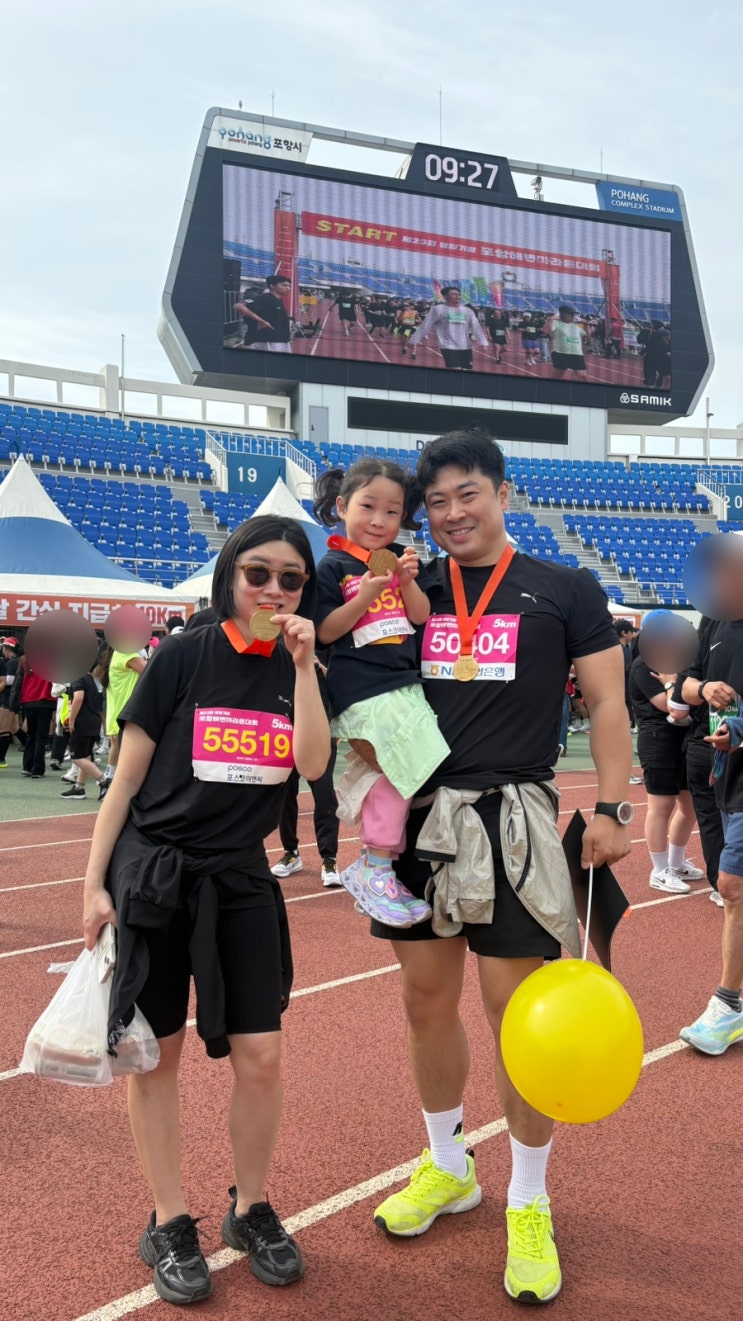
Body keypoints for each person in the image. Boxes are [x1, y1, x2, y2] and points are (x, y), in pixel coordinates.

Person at [370, 429, 633, 1305]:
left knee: (519, 1016)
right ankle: (448, 1165)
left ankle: (527, 1197)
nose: (452, 513)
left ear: (503, 493)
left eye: (467, 494)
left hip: (512, 819)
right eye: (436, 501)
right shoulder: (406, 589)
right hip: (416, 817)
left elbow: (607, 703)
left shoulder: (563, 588)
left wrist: (611, 806)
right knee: (424, 999)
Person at [81, 515, 330, 1306]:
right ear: (229, 577)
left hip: (240, 880)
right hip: (155, 875)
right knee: (156, 1056)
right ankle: (168, 1219)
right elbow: (124, 781)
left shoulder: (298, 668)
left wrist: (306, 667)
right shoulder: (183, 656)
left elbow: (313, 763)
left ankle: (249, 1208)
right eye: (258, 573)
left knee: (261, 1055)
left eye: (290, 579)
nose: (272, 590)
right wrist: (92, 885)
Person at [314, 458, 449, 928]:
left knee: (410, 770)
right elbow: (326, 632)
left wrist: (405, 582)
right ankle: (374, 865)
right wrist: (367, 594)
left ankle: (379, 866)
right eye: (368, 507)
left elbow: (421, 616)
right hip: (363, 688)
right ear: (341, 507)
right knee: (398, 769)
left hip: (404, 684)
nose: (379, 520)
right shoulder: (333, 566)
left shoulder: (403, 560)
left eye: (392, 512)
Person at [679, 566, 743, 1051]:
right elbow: (683, 684)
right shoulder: (715, 620)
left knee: (732, 885)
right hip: (729, 772)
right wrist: (704, 690)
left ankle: (728, 1004)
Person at [629, 645, 703, 894]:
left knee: (689, 806)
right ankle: (659, 870)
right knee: (661, 806)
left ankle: (676, 862)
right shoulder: (644, 665)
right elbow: (670, 706)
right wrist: (672, 685)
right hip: (657, 740)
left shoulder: (680, 661)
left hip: (684, 740)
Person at [272, 654, 341, 888]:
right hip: (285, 733)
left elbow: (342, 684)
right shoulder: (279, 651)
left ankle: (329, 859)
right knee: (285, 795)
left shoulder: (327, 646)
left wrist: (320, 666)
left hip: (319, 735)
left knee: (325, 796)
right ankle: (291, 853)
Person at [60, 661, 108, 802]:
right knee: (85, 756)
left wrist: (72, 719)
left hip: (82, 722)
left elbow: (78, 697)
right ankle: (79, 788)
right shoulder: (92, 680)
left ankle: (104, 781)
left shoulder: (79, 679)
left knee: (76, 757)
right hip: (93, 721)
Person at [409, 287, 489, 370]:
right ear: (445, 296)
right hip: (448, 346)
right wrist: (414, 340)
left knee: (467, 370)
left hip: (465, 346)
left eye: (459, 295)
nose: (457, 297)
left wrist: (483, 342)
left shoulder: (467, 311)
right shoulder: (438, 310)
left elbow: (476, 326)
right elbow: (426, 325)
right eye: (454, 294)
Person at [100, 643, 147, 785]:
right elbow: (151, 671)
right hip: (128, 714)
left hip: (117, 715)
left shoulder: (115, 655)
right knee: (130, 758)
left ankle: (109, 779)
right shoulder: (126, 654)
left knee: (116, 750)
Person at [17, 655, 55, 778]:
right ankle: (38, 769)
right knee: (41, 737)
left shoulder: (25, 660)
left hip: (28, 700)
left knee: (31, 735)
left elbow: (19, 682)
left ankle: (27, 766)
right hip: (45, 701)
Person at [235, 275, 293, 354]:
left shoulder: (278, 300)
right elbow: (238, 306)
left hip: (281, 340)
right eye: (284, 285)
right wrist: (262, 321)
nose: (288, 288)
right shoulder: (265, 298)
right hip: (266, 341)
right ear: (272, 286)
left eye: (289, 286)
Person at [0, 636, 23, 768]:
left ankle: (1, 759)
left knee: (3, 729)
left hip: (8, 698)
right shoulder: (14, 661)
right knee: (13, 728)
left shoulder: (13, 662)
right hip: (12, 698)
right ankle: (29, 745)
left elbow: (9, 681)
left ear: (7, 648)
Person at [549, 306, 588, 380]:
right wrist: (551, 319)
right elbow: (547, 331)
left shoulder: (575, 326)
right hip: (561, 353)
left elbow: (588, 335)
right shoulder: (556, 323)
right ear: (563, 314)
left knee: (583, 376)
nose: (573, 316)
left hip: (577, 354)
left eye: (574, 314)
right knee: (557, 376)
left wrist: (586, 324)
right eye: (571, 314)